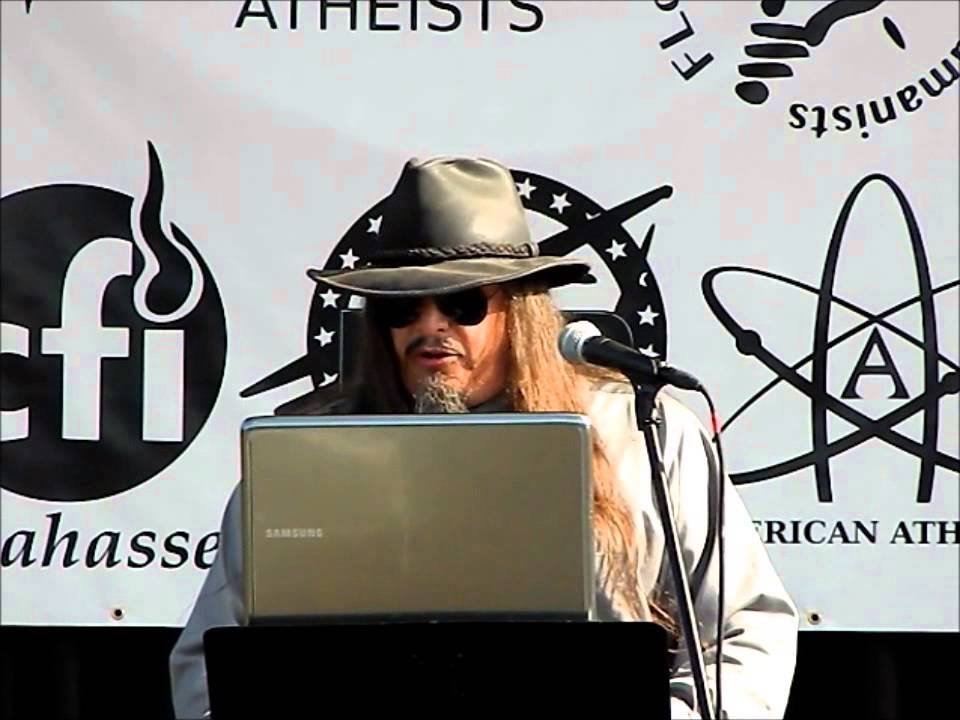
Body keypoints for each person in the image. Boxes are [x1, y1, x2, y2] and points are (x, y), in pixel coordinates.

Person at [168, 156, 798, 719]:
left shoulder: (643, 432)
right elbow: (207, 664)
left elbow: (747, 628)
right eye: (403, 308)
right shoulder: (309, 455)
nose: (431, 327)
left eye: (464, 303)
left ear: (519, 310)